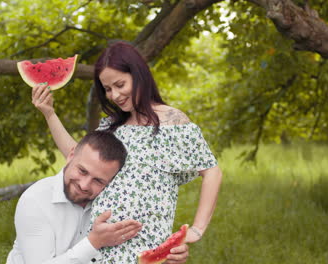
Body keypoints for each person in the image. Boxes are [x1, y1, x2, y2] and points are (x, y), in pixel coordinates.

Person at [32, 41, 222, 263]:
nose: (115, 95)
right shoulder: (110, 126)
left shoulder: (173, 123)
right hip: (95, 251)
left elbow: (212, 172)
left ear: (138, 74)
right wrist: (49, 114)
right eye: (108, 89)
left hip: (143, 253)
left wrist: (197, 230)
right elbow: (76, 156)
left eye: (120, 84)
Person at [7, 131, 189, 264]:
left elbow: (130, 252)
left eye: (98, 180)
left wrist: (167, 257)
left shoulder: (116, 200)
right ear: (71, 155)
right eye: (82, 171)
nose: (84, 185)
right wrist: (94, 242)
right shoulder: (35, 201)